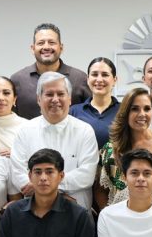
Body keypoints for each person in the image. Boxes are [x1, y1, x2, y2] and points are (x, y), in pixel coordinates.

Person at [9, 72, 99, 210]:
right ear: (39, 99)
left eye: (61, 94)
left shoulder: (85, 131)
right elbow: (17, 173)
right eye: (49, 94)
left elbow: (87, 175)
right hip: (34, 212)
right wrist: (51, 186)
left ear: (69, 99)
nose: (55, 99)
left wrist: (42, 185)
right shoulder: (24, 131)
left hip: (76, 213)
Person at [10, 23, 90, 120]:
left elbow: (91, 114)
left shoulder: (80, 79)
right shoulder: (17, 80)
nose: (46, 47)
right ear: (33, 48)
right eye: (41, 43)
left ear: (61, 47)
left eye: (51, 42)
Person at [69, 56, 120, 148]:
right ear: (88, 79)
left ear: (114, 80)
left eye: (105, 75)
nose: (99, 80)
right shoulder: (73, 112)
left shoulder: (124, 111)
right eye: (94, 74)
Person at [0, 75, 27, 156]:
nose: (0, 98)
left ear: (14, 99)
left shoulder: (27, 126)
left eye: (6, 93)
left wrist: (18, 155)